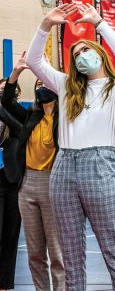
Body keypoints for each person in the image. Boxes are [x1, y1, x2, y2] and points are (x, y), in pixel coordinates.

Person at [26, 3, 115, 290]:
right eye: (76, 55)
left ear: (100, 55)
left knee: (114, 251)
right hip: (63, 167)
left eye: (86, 51)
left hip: (98, 165)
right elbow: (35, 62)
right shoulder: (66, 88)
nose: (80, 56)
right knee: (71, 257)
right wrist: (45, 25)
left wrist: (99, 24)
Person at [2, 52, 65, 290]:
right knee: (35, 253)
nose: (41, 87)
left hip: (53, 184)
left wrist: (46, 67)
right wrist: (16, 72)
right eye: (37, 83)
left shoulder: (65, 118)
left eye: (45, 82)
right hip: (27, 185)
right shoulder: (31, 116)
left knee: (56, 252)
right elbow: (7, 101)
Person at [0, 79, 22, 291]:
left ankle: (5, 283)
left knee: (11, 234)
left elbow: (21, 131)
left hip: (12, 180)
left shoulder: (17, 113)